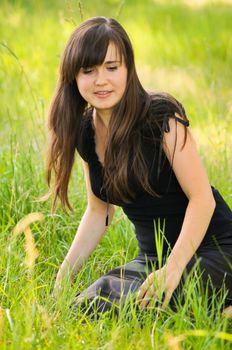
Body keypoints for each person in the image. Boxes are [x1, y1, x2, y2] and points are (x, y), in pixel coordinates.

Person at [46, 16, 232, 315]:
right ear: (73, 77)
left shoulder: (162, 118)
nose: (101, 80)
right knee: (89, 305)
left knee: (159, 302)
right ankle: (217, 311)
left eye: (111, 67)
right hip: (152, 259)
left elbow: (202, 200)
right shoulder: (84, 132)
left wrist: (172, 270)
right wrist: (62, 278)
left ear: (128, 69)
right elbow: (99, 211)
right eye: (88, 71)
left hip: (215, 248)